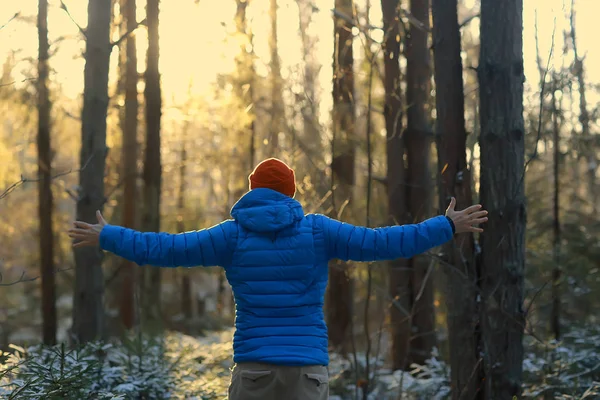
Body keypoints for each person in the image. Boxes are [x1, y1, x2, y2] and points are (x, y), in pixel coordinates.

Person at [68, 158, 487, 400]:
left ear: (253, 191)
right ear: (290, 194)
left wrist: (109, 235)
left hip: (254, 372)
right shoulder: (319, 230)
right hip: (307, 371)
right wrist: (445, 227)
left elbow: (165, 249)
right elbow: (384, 243)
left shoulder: (231, 235)